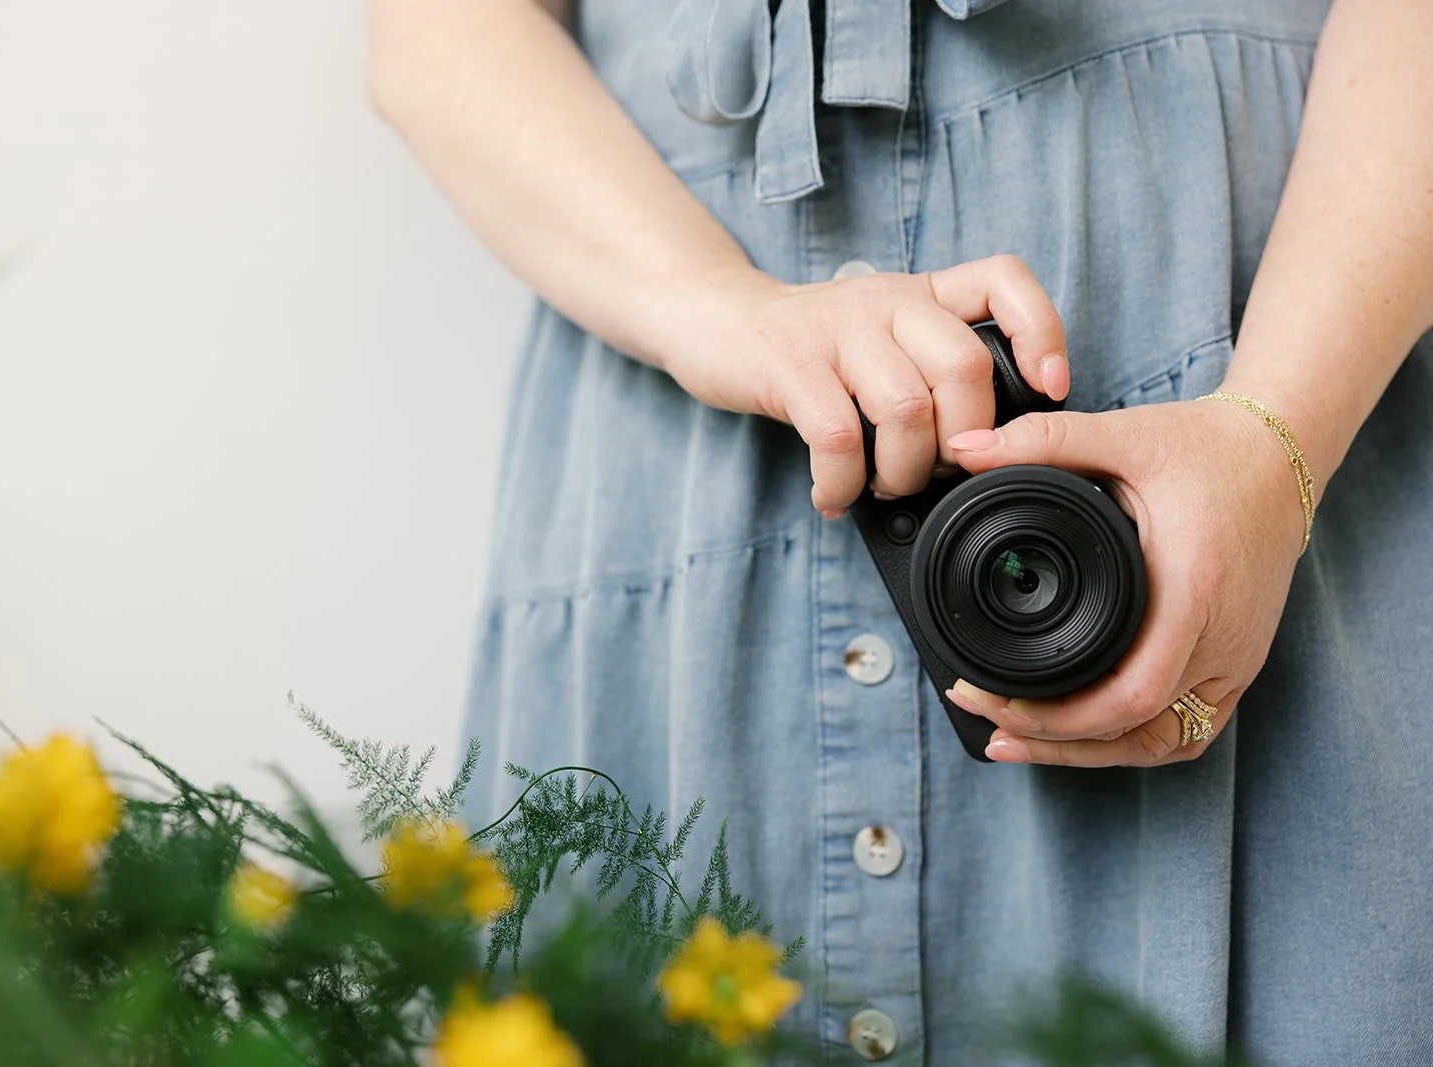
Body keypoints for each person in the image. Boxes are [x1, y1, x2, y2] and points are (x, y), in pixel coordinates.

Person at [367, 0, 1433, 1061]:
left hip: (1291, 326)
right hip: (659, 344)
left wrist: (1273, 436)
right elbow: (441, 27)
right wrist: (714, 310)